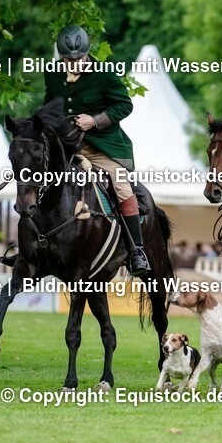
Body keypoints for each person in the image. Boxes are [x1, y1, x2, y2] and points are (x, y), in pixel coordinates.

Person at [43, 24, 149, 276]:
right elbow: (50, 103)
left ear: (87, 54)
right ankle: (34, 247)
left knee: (122, 185)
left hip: (102, 146)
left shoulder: (105, 74)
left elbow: (124, 105)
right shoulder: (52, 73)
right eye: (68, 60)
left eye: (79, 59)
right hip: (67, 146)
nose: (73, 64)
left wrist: (95, 120)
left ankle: (136, 251)